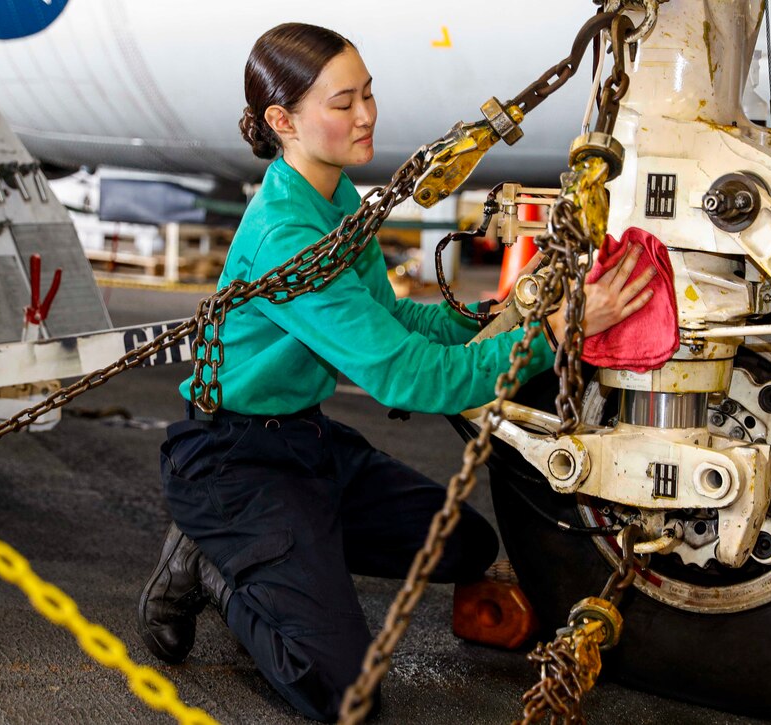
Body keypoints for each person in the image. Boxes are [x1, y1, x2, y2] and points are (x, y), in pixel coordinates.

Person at [136, 22, 655, 722]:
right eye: (343, 102)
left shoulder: (336, 200)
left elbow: (393, 321)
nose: (367, 115)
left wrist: (501, 315)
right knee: (344, 692)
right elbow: (405, 376)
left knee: (469, 544)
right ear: (282, 121)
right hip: (236, 462)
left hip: (305, 442)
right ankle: (214, 566)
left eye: (369, 94)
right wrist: (553, 336)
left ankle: (283, 552)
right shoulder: (288, 234)